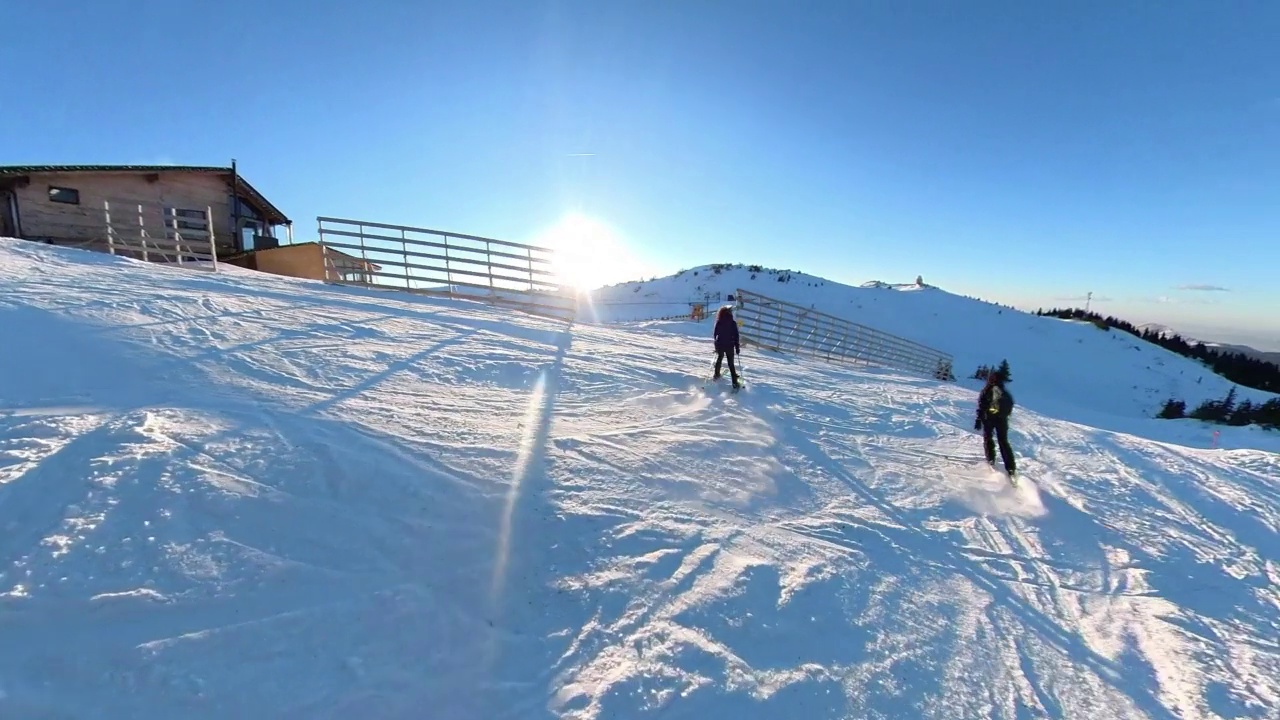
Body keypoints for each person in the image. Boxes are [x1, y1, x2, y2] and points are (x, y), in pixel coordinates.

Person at [975, 370, 1016, 476]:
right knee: (1003, 441)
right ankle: (1010, 467)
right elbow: (1010, 406)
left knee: (988, 438)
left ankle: (991, 459)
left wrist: (979, 419)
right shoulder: (1005, 392)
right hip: (1002, 420)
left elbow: (982, 405)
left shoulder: (987, 389)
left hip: (989, 418)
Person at [712, 306, 741, 389]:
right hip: (729, 345)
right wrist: (737, 347)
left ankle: (716, 374)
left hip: (720, 344)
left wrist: (716, 345)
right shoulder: (732, 323)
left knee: (719, 358)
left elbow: (715, 334)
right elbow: (736, 336)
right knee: (731, 364)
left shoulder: (719, 322)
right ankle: (734, 382)